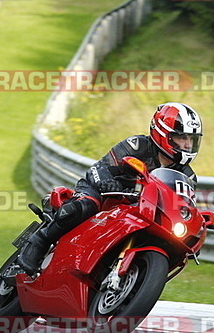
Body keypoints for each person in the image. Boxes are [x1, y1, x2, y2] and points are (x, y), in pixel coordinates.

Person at [16, 102, 203, 274]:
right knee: (85, 206)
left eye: (191, 139)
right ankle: (39, 242)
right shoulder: (137, 146)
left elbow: (182, 206)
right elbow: (101, 167)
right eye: (182, 137)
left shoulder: (188, 176)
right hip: (104, 192)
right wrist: (107, 182)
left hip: (140, 210)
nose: (187, 144)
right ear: (164, 134)